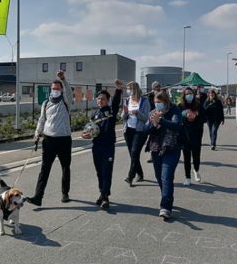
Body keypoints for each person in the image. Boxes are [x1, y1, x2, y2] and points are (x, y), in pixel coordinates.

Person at [26, 71, 73, 206]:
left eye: (57, 89)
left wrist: (63, 79)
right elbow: (42, 120)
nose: (55, 91)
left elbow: (69, 92)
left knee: (65, 167)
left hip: (64, 139)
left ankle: (65, 193)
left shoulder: (66, 102)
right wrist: (37, 134)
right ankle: (38, 197)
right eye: (53, 89)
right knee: (44, 169)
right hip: (48, 140)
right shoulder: (46, 103)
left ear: (61, 90)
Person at [82, 81, 123, 209]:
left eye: (103, 99)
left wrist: (118, 90)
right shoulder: (94, 114)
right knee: (99, 171)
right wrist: (85, 135)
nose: (100, 101)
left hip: (108, 146)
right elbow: (90, 130)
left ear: (107, 100)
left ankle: (105, 197)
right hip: (96, 146)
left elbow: (116, 102)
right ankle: (102, 193)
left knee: (107, 171)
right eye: (99, 99)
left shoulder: (111, 111)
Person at [142, 91, 183, 220]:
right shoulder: (152, 113)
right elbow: (145, 130)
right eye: (155, 102)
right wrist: (153, 124)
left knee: (166, 177)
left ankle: (165, 207)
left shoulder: (174, 110)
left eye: (160, 102)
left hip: (171, 148)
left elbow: (176, 125)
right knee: (159, 177)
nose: (157, 104)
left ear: (166, 102)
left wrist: (161, 121)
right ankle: (166, 196)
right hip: (155, 148)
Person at [121, 81, 151, 186]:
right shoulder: (127, 100)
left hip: (140, 131)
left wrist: (137, 113)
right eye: (127, 88)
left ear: (135, 89)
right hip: (128, 130)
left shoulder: (144, 101)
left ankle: (130, 176)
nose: (128, 90)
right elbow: (122, 117)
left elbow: (146, 117)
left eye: (130, 88)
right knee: (133, 155)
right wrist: (125, 113)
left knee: (134, 152)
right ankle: (140, 174)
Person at [179, 87, 206, 186]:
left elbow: (204, 118)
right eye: (186, 94)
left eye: (190, 93)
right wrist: (185, 116)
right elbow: (177, 119)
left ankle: (196, 169)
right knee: (186, 157)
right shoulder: (180, 106)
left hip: (196, 134)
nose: (189, 95)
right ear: (183, 96)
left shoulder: (198, 105)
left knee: (196, 156)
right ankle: (187, 177)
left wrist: (196, 116)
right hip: (185, 134)